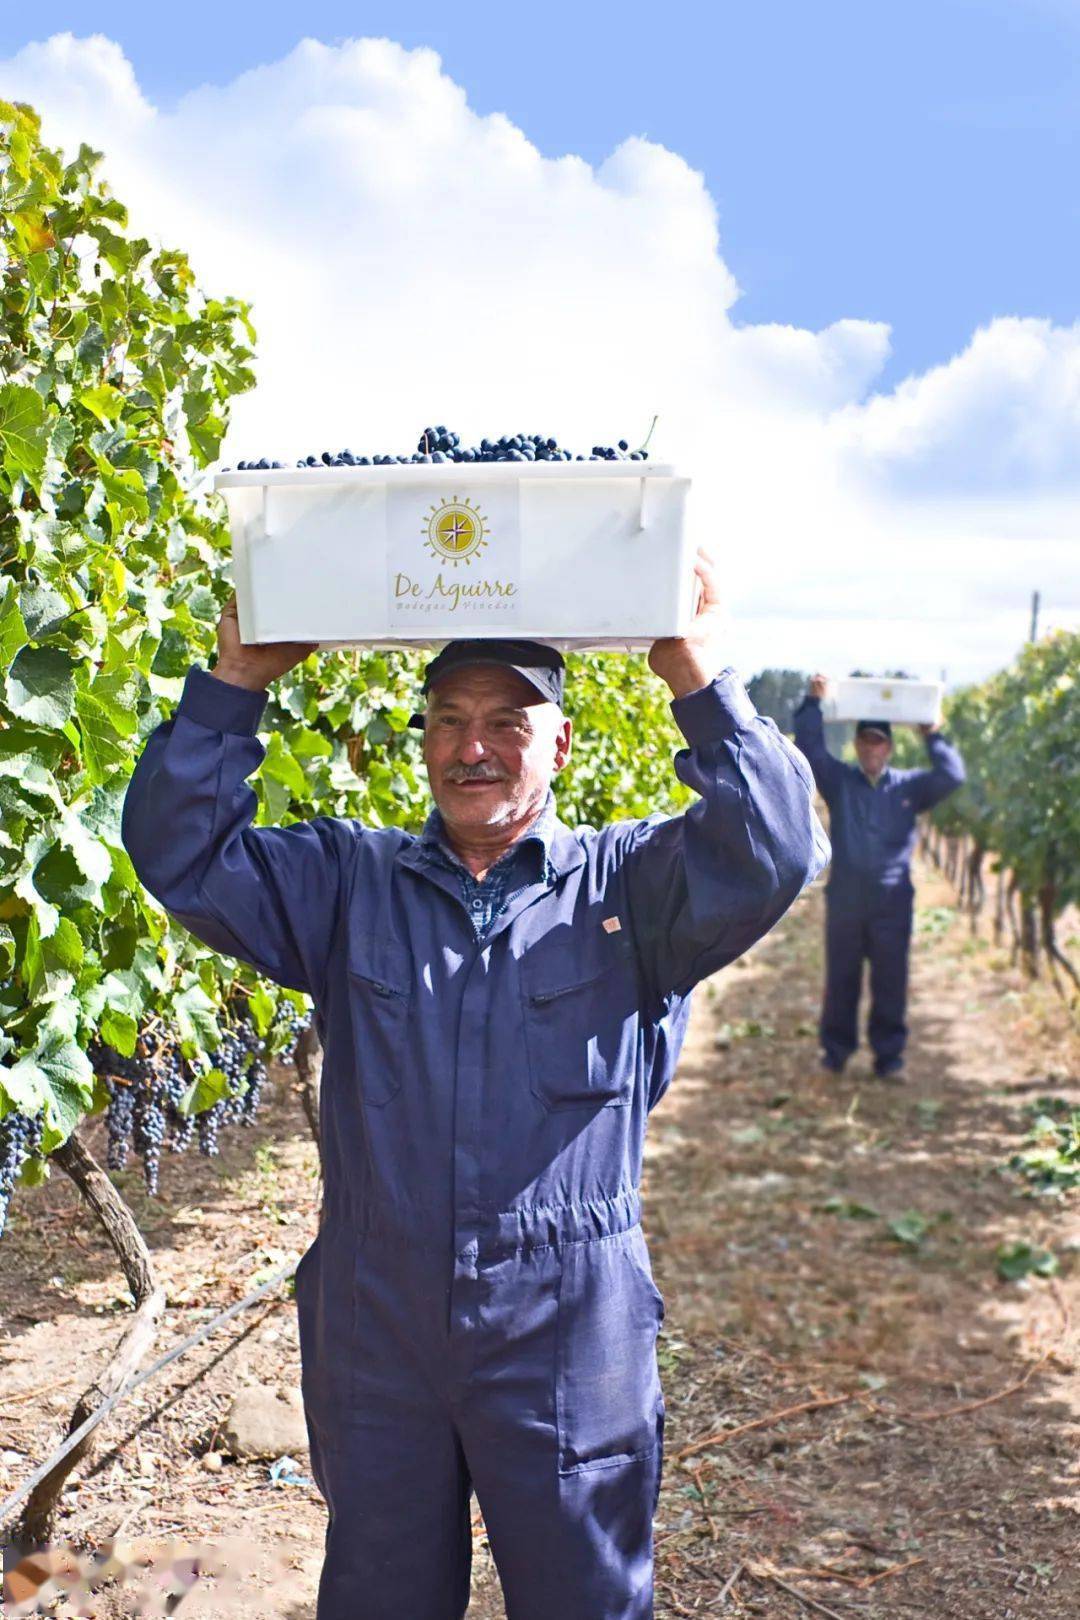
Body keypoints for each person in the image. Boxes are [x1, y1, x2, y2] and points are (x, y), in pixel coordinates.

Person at [121, 550, 828, 1620]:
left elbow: (774, 851)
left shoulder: (632, 890)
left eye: (508, 720)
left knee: (584, 1595)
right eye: (449, 719)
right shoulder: (349, 883)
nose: (474, 747)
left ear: (561, 742)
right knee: (380, 1593)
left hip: (565, 1313)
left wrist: (697, 674)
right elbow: (179, 854)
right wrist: (236, 684)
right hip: (379, 1310)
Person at [792, 673, 965, 1080]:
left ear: (889, 747)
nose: (872, 748)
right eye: (866, 740)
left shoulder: (910, 788)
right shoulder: (841, 783)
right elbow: (811, 751)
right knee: (842, 978)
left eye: (879, 741)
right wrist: (812, 704)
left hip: (892, 901)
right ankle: (835, 1054)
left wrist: (933, 733)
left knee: (890, 980)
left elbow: (953, 775)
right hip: (847, 900)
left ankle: (890, 1059)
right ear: (857, 744)